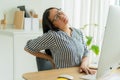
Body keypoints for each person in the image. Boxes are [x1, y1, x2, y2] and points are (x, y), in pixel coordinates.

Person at [24, 7, 96, 74]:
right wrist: (50, 58)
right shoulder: (53, 36)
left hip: (80, 75)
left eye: (59, 12)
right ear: (53, 25)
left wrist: (83, 64)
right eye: (56, 17)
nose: (61, 16)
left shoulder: (78, 32)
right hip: (64, 76)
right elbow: (28, 47)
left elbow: (86, 52)